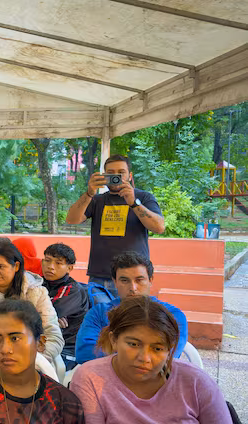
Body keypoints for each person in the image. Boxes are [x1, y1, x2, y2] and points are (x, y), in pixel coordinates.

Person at [70, 296, 235, 424]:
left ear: (170, 349)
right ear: (114, 340)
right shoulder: (90, 378)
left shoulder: (196, 382)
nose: (144, 358)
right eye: (133, 344)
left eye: (157, 348)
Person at [65, 154, 165, 298]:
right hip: (100, 276)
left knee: (133, 313)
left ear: (130, 176)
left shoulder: (143, 197)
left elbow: (159, 227)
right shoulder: (96, 200)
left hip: (134, 277)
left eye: (121, 172)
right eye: (110, 173)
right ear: (104, 176)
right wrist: (89, 193)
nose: (116, 176)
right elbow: (71, 220)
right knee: (101, 313)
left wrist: (133, 203)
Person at [75, 251, 188, 364]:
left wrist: (113, 348)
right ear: (115, 282)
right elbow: (84, 353)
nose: (133, 288)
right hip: (105, 373)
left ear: (150, 280)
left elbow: (170, 355)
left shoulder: (172, 315)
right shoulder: (99, 313)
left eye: (139, 280)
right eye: (124, 280)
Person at [0, 242, 63, 366]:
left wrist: (34, 361)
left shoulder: (36, 292)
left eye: (1, 267)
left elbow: (53, 336)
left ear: (16, 266)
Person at [41, 243, 89, 370]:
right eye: (47, 260)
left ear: (69, 268)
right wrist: (51, 319)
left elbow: (45, 314)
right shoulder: (38, 283)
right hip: (43, 342)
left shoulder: (72, 290)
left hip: (65, 351)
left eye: (58, 263)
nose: (50, 266)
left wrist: (47, 317)